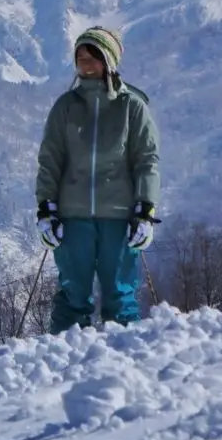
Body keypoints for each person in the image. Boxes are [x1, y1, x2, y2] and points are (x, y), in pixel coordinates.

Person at [36, 26, 161, 333]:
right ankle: (60, 364)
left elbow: (146, 160)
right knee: (72, 295)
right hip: (72, 215)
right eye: (80, 58)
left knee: (120, 294)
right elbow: (50, 160)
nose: (86, 64)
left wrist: (145, 210)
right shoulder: (66, 106)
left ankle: (123, 365)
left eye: (92, 57)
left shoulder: (132, 106)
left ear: (109, 60)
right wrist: (45, 210)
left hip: (119, 218)